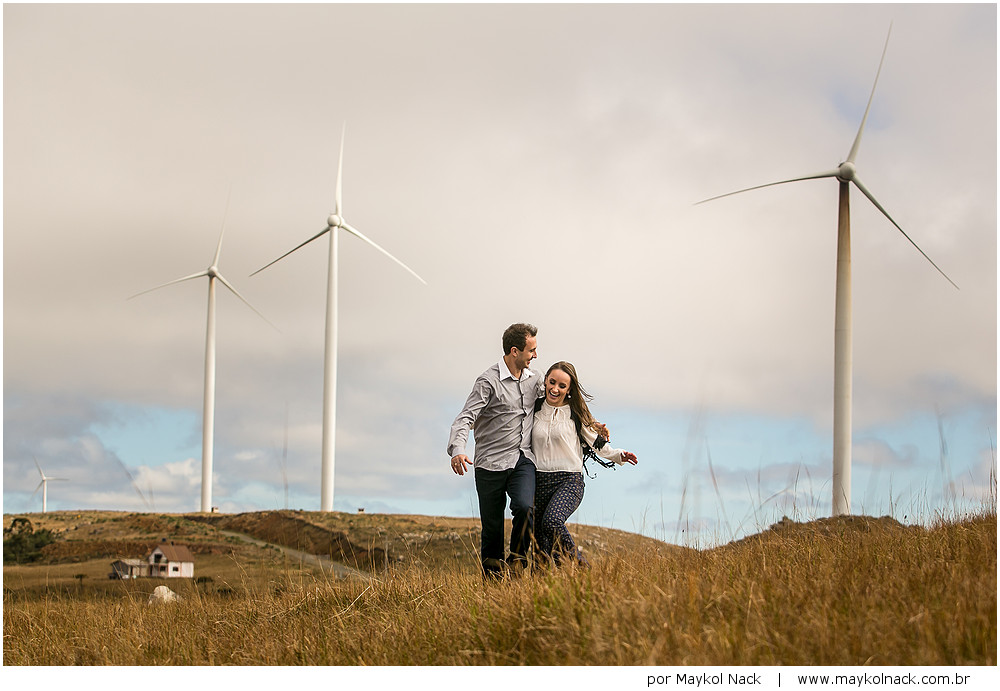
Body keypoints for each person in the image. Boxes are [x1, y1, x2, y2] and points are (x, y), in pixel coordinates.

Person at [448, 323, 543, 579]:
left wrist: (591, 425)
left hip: (523, 458)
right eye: (531, 350)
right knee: (492, 529)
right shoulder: (488, 382)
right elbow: (465, 418)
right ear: (515, 351)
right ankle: (493, 585)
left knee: (525, 507)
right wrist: (458, 449)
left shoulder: (535, 379)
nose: (535, 355)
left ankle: (518, 562)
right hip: (490, 463)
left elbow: (559, 403)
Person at [532, 361, 637, 567]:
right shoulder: (534, 409)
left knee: (552, 521)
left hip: (569, 481)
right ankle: (545, 591)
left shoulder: (575, 414)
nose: (555, 389)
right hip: (538, 481)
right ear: (545, 381)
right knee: (540, 550)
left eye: (562, 386)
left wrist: (618, 455)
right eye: (552, 382)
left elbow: (597, 443)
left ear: (569, 389)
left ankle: (581, 566)